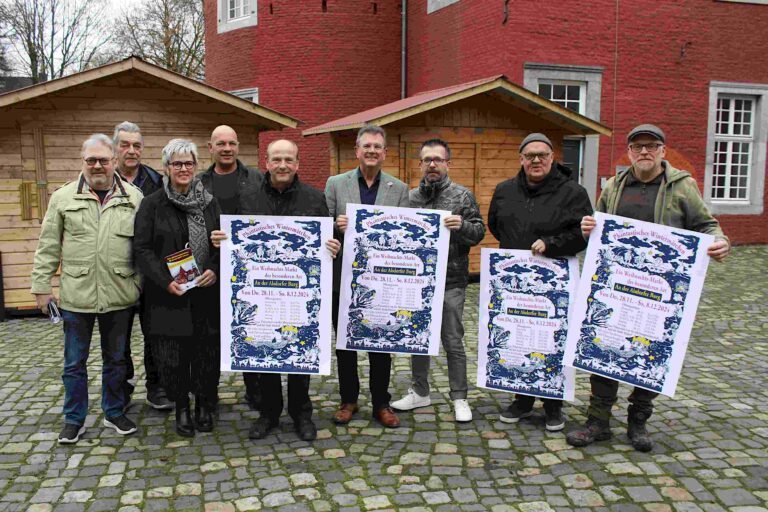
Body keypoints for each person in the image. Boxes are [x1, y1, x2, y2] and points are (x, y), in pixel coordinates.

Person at [567, 124, 730, 452]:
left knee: (653, 354)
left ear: (662, 151)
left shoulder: (683, 188)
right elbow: (599, 224)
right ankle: (597, 421)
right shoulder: (614, 185)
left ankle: (638, 422)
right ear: (628, 152)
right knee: (603, 349)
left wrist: (720, 239)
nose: (644, 152)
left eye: (651, 146)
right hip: (617, 287)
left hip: (658, 292)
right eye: (637, 146)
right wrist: (589, 226)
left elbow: (706, 224)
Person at [212, 139, 341, 441]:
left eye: (289, 160)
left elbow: (328, 236)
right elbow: (235, 237)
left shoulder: (314, 198)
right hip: (261, 291)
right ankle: (269, 413)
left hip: (298, 292)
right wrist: (221, 239)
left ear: (297, 164)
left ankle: (301, 414)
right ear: (267, 163)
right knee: (267, 350)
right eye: (277, 159)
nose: (283, 165)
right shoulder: (247, 196)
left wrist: (333, 243)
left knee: (300, 352)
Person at [31, 134, 143, 444]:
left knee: (117, 360)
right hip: (76, 296)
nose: (97, 165)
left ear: (113, 162)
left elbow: (144, 247)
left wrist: (143, 286)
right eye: (91, 160)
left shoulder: (133, 198)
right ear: (82, 162)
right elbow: (48, 246)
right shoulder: (63, 198)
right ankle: (74, 419)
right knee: (73, 363)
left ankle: (114, 411)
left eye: (103, 160)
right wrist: (42, 287)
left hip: (119, 294)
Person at [488, 132, 593, 432]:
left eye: (542, 155)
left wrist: (551, 244)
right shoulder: (504, 189)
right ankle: (522, 399)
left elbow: (583, 235)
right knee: (519, 336)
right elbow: (495, 225)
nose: (536, 160)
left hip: (555, 281)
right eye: (530, 155)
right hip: (514, 280)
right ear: (521, 159)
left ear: (552, 158)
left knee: (552, 340)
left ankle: (553, 404)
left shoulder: (573, 193)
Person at [391, 139, 485, 423]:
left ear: (447, 163)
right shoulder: (409, 198)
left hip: (451, 281)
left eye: (438, 160)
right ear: (420, 164)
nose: (432, 164)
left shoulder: (461, 196)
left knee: (453, 340)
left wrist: (462, 226)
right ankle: (420, 391)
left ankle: (460, 397)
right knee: (418, 339)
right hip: (416, 283)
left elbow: (479, 232)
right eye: (427, 160)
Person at [133, 139, 221, 437]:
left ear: (196, 167)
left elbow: (222, 244)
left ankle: (203, 405)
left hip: (205, 294)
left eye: (188, 163)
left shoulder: (210, 202)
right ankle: (182, 407)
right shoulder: (152, 204)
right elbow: (142, 250)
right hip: (168, 296)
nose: (183, 169)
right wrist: (164, 281)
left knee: (206, 354)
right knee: (174, 357)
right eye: (177, 164)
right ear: (166, 167)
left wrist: (214, 269)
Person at [325, 124, 410, 428]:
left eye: (378, 146)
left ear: (385, 152)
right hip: (343, 277)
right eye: (367, 146)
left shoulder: (399, 189)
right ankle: (348, 399)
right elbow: (325, 227)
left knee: (381, 340)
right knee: (345, 343)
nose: (372, 151)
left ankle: (381, 402)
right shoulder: (335, 183)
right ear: (357, 150)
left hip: (382, 281)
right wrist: (337, 225)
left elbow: (405, 235)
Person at [199, 125, 263, 410]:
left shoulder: (257, 179)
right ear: (210, 148)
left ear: (238, 147)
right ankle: (208, 394)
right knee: (210, 335)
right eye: (220, 143)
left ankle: (256, 390)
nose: (227, 148)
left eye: (232, 143)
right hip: (210, 268)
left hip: (250, 269)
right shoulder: (199, 182)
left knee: (251, 328)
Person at [112, 121, 172, 411]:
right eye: (125, 145)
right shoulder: (104, 180)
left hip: (150, 270)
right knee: (119, 337)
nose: (131, 150)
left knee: (154, 332)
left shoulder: (155, 180)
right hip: (117, 271)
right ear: (115, 148)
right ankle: (122, 389)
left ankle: (156, 387)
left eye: (136, 145)